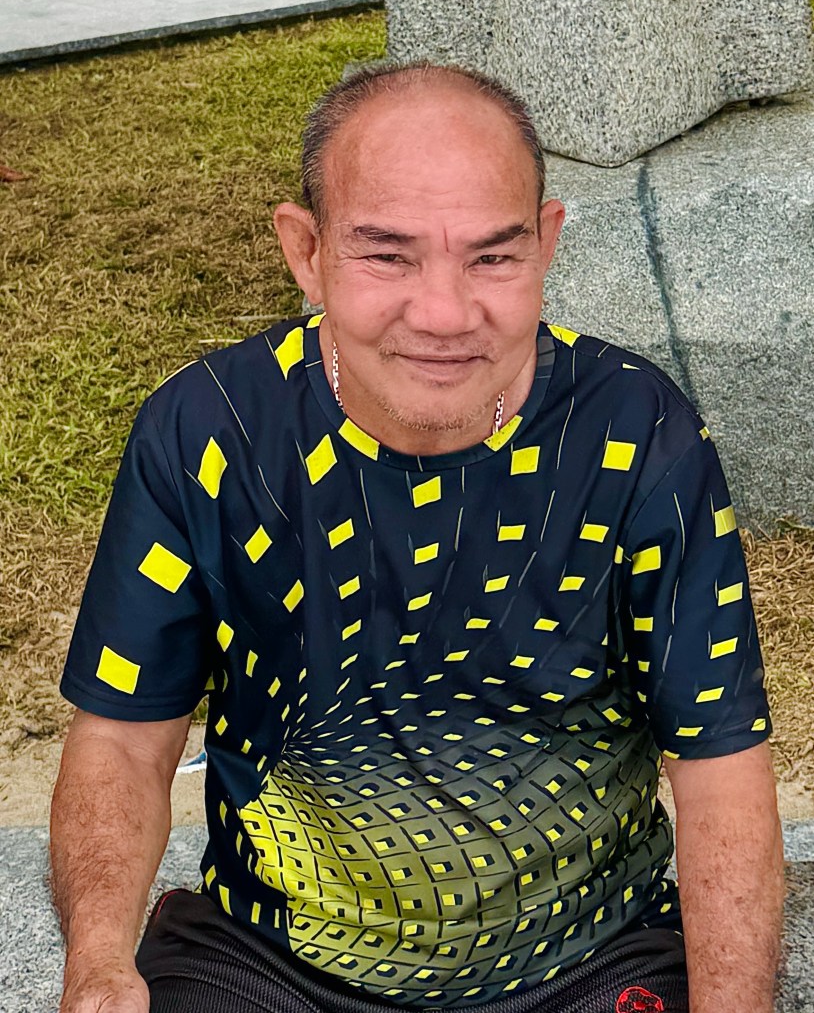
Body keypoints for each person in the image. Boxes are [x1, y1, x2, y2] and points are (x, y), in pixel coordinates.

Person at [51, 62, 783, 1013]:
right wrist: (98, 961)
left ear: (547, 244)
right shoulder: (206, 430)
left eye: (492, 257)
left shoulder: (640, 431)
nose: (443, 314)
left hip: (585, 958)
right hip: (267, 958)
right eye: (387, 256)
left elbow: (719, 762)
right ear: (306, 250)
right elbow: (122, 737)